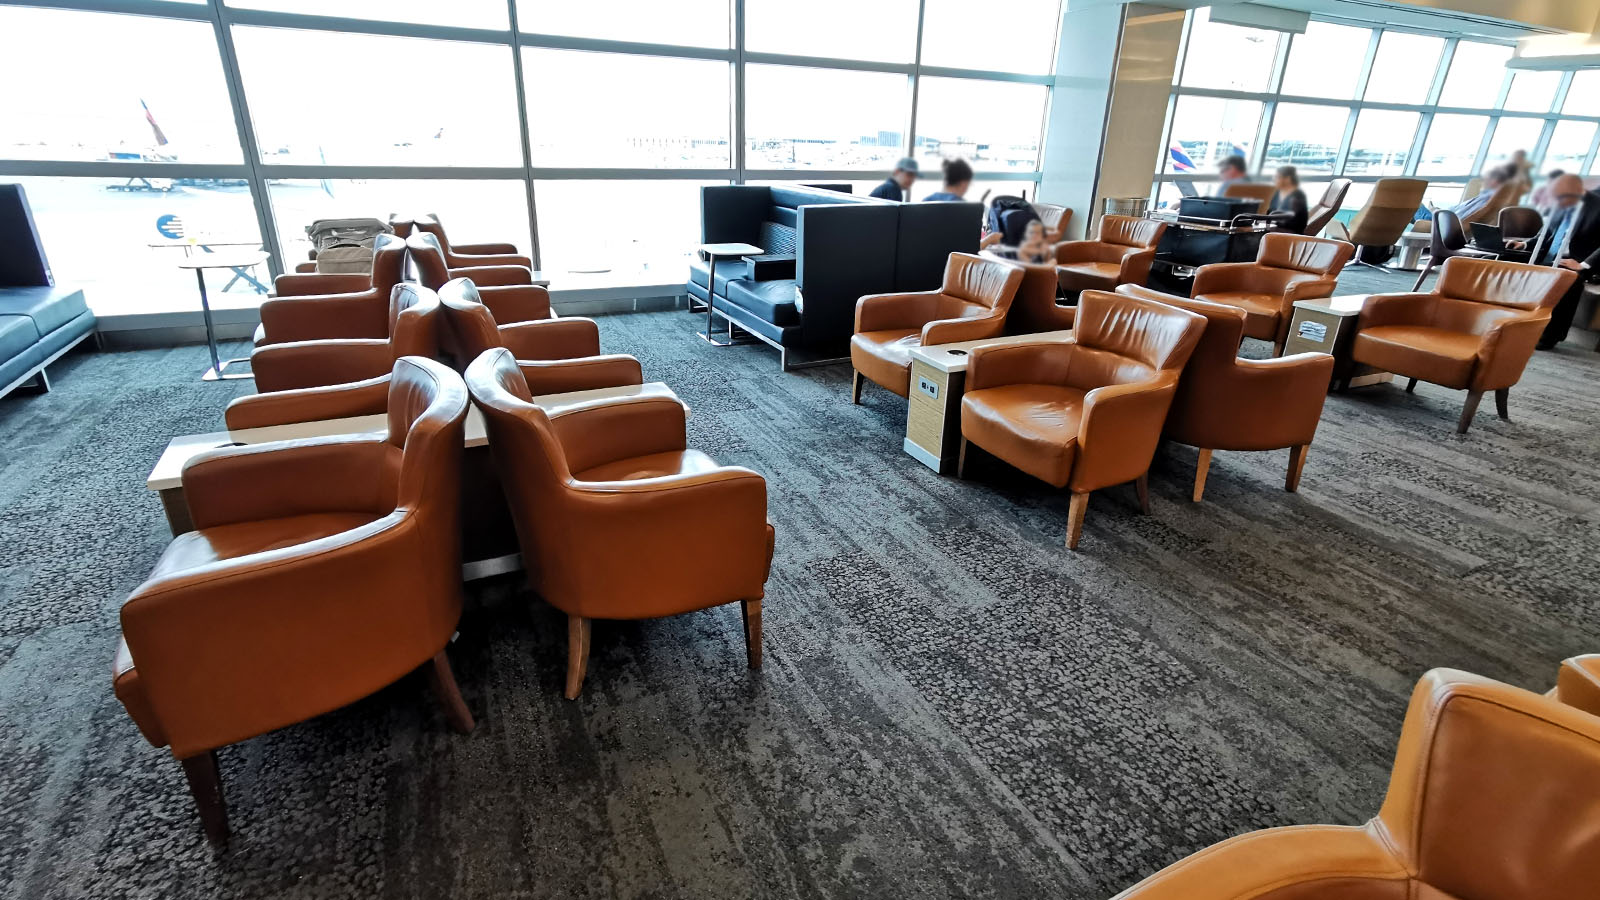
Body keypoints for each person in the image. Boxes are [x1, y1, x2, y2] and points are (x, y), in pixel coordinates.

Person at [1511, 173, 1600, 349]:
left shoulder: (1597, 206)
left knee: (1566, 280)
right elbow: (1546, 235)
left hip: (1574, 262)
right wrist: (1523, 244)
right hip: (1548, 258)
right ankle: (1511, 323)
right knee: (1505, 264)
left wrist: (1583, 265)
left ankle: (1550, 336)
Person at [1269, 165, 1309, 234]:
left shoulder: (1298, 196)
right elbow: (1270, 211)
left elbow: (1292, 221)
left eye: (1277, 177)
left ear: (1288, 179)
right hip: (1276, 227)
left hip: (1290, 233)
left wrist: (1272, 221)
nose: (1274, 179)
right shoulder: (1278, 192)